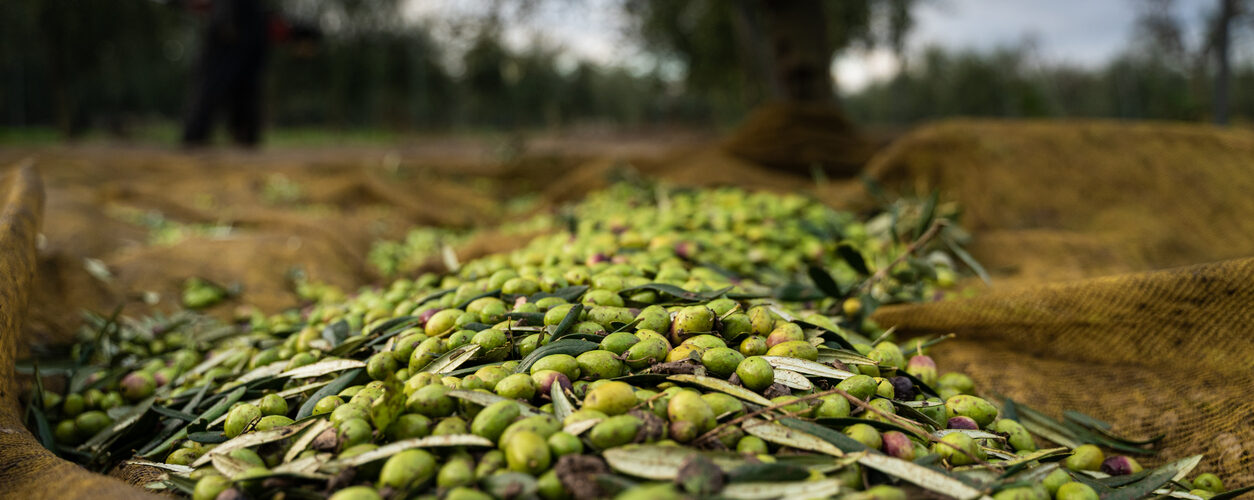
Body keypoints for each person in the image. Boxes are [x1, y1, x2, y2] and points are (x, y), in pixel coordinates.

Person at [182, 0, 269, 148]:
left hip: (250, 22)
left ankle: (246, 137)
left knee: (247, 86)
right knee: (213, 83)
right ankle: (195, 137)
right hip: (229, 21)